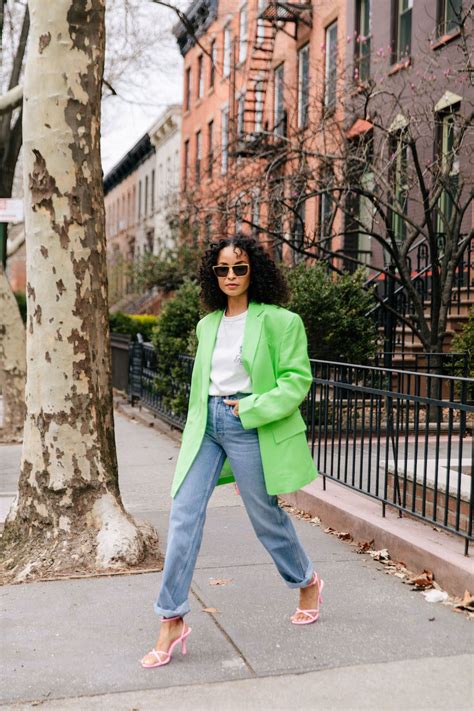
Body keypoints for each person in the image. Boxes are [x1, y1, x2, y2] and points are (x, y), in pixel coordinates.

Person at [140, 235, 324, 669]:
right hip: (206, 425)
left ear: (254, 271)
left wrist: (253, 407)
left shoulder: (281, 321)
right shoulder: (208, 325)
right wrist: (197, 425)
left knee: (266, 518)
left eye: (239, 268)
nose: (231, 277)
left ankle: (307, 581)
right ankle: (171, 618)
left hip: (249, 422)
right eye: (222, 269)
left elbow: (297, 380)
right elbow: (202, 383)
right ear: (212, 274)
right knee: (183, 513)